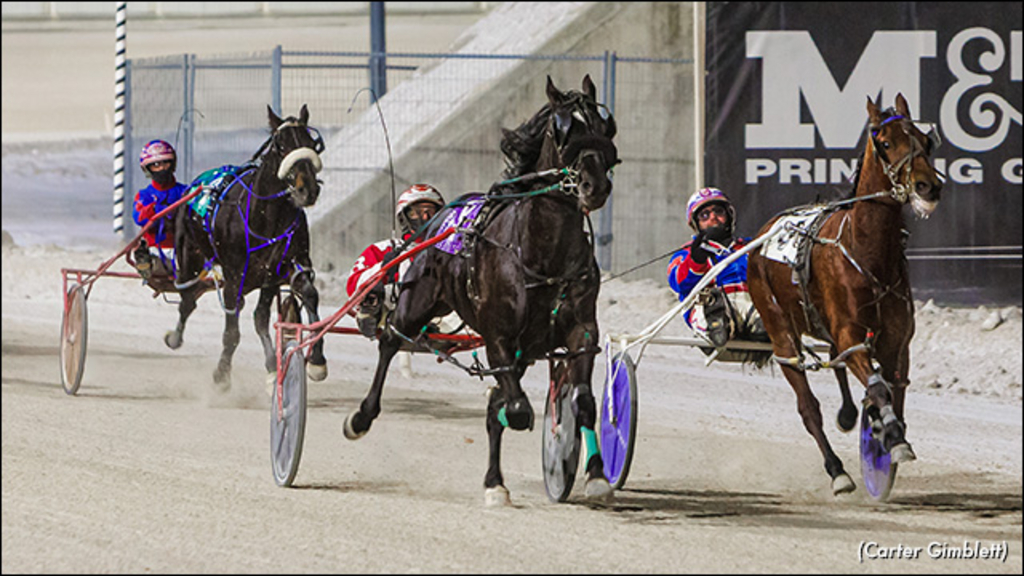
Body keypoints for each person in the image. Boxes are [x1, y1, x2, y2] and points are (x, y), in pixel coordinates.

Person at [667, 187, 765, 350]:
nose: (713, 217)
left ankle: (762, 327)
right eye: (705, 215)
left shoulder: (751, 247)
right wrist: (696, 260)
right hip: (710, 306)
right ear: (695, 223)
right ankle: (718, 325)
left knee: (769, 312)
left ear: (729, 216)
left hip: (750, 303)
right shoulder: (686, 253)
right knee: (715, 312)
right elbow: (677, 283)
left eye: (719, 211)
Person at [346, 184, 447, 338]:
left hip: (444, 318)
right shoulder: (384, 249)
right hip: (393, 314)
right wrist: (385, 267)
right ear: (404, 217)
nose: (425, 218)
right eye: (417, 212)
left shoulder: (452, 249)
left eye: (430, 212)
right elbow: (353, 285)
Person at [132, 139, 188, 279]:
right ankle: (144, 263)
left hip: (185, 249)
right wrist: (156, 209)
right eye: (156, 165)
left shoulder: (185, 192)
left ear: (172, 164)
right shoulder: (144, 195)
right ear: (148, 169)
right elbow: (139, 218)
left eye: (165, 163)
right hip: (156, 250)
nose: (162, 168)